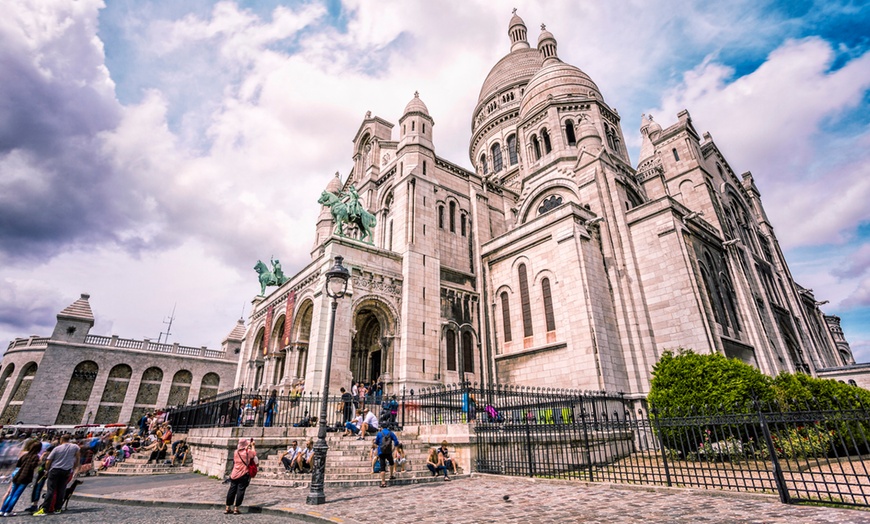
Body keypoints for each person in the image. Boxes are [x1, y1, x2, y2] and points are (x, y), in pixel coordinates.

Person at [33, 433, 80, 515]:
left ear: (61, 440)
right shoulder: (75, 447)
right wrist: (73, 468)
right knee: (61, 489)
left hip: (55, 470)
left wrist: (47, 469)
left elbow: (48, 460)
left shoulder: (57, 449)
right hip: (66, 470)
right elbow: (77, 458)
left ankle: (45, 509)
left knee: (50, 490)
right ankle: (58, 508)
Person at [1, 440, 40, 516]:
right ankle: (8, 511)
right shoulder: (35, 457)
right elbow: (33, 467)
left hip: (17, 475)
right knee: (16, 495)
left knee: (11, 494)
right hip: (25, 477)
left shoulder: (24, 455)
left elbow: (18, 465)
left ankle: (2, 510)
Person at [225, 439, 257, 515]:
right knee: (240, 491)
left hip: (234, 474)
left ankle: (227, 507)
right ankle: (236, 508)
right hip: (243, 474)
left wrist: (247, 446)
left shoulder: (236, 452)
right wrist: (252, 446)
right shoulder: (248, 452)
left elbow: (243, 449)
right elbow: (254, 454)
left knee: (232, 490)